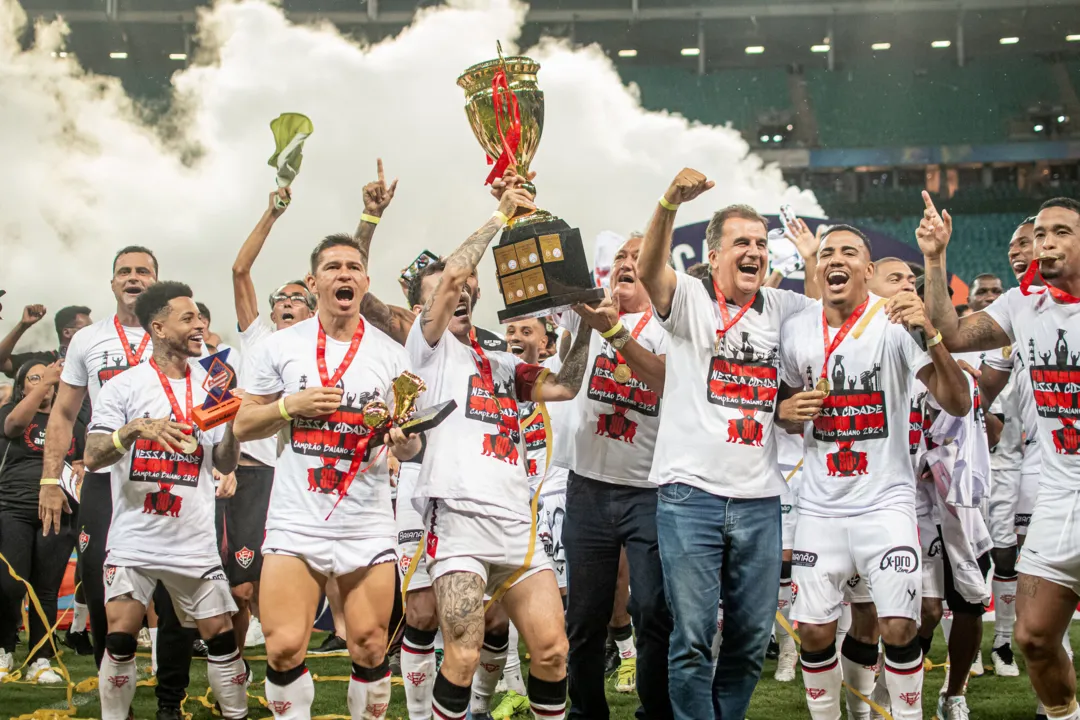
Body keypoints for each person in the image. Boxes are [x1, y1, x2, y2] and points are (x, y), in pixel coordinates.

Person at [405, 179, 592, 720]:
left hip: (517, 526)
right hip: (459, 520)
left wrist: (582, 318)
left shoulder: (501, 364)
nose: (458, 293)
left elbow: (564, 386)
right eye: (445, 291)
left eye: (466, 290)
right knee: (461, 656)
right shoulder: (428, 349)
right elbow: (454, 276)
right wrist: (498, 216)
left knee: (553, 653)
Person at [636, 168, 818, 720]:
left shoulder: (782, 309)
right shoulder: (690, 298)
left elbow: (819, 332)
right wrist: (669, 201)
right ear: (713, 255)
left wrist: (812, 260)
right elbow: (649, 269)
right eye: (741, 242)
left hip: (760, 498)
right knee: (691, 638)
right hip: (690, 494)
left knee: (749, 637)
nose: (755, 252)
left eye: (762, 244)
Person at [776, 223, 970, 720]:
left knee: (899, 627)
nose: (835, 258)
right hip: (820, 503)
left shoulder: (894, 322)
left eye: (848, 252)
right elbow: (778, 399)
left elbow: (957, 400)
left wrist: (929, 333)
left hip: (886, 503)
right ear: (819, 269)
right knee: (816, 631)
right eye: (826, 253)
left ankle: (907, 716)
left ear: (867, 270)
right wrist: (786, 409)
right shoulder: (798, 326)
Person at [234, 232, 421, 720]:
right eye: (334, 267)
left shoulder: (391, 353)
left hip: (366, 519)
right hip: (297, 518)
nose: (345, 274)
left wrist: (406, 441)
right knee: (283, 647)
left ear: (365, 281)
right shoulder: (281, 346)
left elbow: (413, 437)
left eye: (353, 267)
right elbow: (242, 422)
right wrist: (287, 405)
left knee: (370, 645)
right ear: (314, 281)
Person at [921, 195, 1080, 720]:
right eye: (1041, 235)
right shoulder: (1021, 304)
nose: (1046, 243)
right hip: (1059, 493)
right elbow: (951, 332)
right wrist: (936, 259)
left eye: (1061, 232)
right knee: (1034, 638)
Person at [38, 246, 196, 720]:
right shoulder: (88, 339)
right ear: (112, 283)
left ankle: (171, 700)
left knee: (175, 590)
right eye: (124, 271)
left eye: (142, 270)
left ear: (156, 280)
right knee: (101, 586)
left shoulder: (184, 334)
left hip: (168, 476)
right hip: (106, 478)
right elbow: (64, 413)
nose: (133, 277)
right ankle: (118, 706)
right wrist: (50, 477)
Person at [82, 281, 247, 720]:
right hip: (135, 536)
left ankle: (236, 715)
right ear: (158, 327)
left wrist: (232, 421)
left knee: (221, 637)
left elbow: (226, 462)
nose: (201, 326)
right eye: (189, 318)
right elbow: (93, 456)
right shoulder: (123, 386)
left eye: (201, 318)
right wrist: (134, 430)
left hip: (192, 538)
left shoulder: (215, 382)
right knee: (119, 638)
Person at [553, 233, 673, 720]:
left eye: (637, 257)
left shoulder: (670, 326)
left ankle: (657, 711)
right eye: (620, 257)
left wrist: (617, 334)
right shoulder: (582, 317)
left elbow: (665, 381)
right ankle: (586, 712)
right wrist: (590, 320)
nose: (627, 263)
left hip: (651, 490)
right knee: (583, 617)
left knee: (651, 612)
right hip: (588, 487)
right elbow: (565, 369)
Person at [229, 186, 318, 656]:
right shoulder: (259, 338)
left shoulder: (327, 347)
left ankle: (293, 657)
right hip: (250, 471)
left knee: (292, 575)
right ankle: (235, 671)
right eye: (279, 297)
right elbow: (240, 270)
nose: (285, 302)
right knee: (241, 586)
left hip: (302, 475)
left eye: (296, 297)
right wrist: (271, 213)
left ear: (313, 306)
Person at [974, 218, 1039, 680]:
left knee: (1024, 556)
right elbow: (981, 396)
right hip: (986, 463)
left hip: (1034, 459)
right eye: (1012, 244)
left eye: (1027, 242)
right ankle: (988, 643)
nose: (1018, 250)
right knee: (986, 554)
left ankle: (1008, 642)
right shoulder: (1006, 318)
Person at [0, 359, 81, 683]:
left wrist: (84, 464)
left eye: (48, 375)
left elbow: (86, 454)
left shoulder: (74, 416)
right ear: (22, 386)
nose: (43, 381)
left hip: (60, 509)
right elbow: (13, 427)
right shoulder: (11, 411)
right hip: (13, 507)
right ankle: (4, 648)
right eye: (33, 377)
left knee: (46, 588)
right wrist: (47, 382)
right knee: (9, 584)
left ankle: (41, 658)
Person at [0, 304, 93, 378]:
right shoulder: (44, 362)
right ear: (67, 332)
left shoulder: (99, 360)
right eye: (88, 329)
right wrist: (23, 325)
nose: (93, 333)